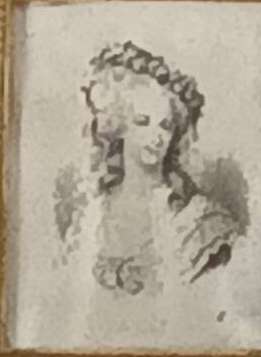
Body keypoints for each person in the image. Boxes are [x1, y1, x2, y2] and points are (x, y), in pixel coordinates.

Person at [49, 41, 249, 336]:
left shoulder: (196, 220)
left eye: (166, 125)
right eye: (143, 122)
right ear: (118, 126)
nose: (158, 136)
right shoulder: (89, 214)